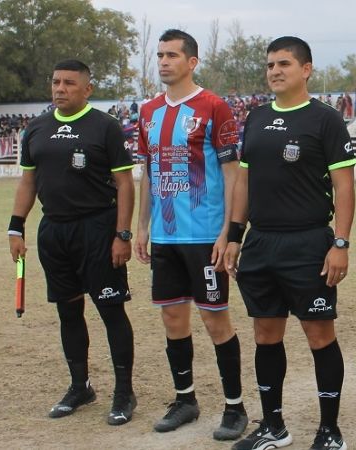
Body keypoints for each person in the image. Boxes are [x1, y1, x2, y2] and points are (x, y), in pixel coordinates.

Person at [224, 36, 356, 450]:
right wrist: (233, 235)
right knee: (266, 334)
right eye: (270, 64)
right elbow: (243, 180)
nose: (275, 70)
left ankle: (330, 431)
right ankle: (274, 426)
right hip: (261, 243)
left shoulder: (325, 120)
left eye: (284, 63)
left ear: (306, 69)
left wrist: (341, 243)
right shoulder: (257, 117)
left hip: (309, 243)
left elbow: (344, 187)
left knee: (319, 336)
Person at [7, 59, 137, 425]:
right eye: (55, 82)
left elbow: (125, 183)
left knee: (111, 311)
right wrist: (15, 228)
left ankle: (124, 392)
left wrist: (121, 235)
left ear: (87, 89)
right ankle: (80, 386)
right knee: (68, 311)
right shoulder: (36, 129)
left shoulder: (105, 127)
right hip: (54, 231)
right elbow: (28, 182)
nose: (59, 88)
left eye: (68, 83)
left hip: (97, 229)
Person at [134, 29, 247, 441]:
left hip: (205, 237)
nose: (163, 61)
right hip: (165, 237)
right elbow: (148, 172)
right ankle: (185, 399)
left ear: (192, 61)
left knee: (216, 321)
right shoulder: (147, 111)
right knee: (172, 319)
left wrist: (227, 232)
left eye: (172, 55)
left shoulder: (214, 107)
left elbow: (234, 176)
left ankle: (235, 407)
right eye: (159, 55)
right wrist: (143, 226)